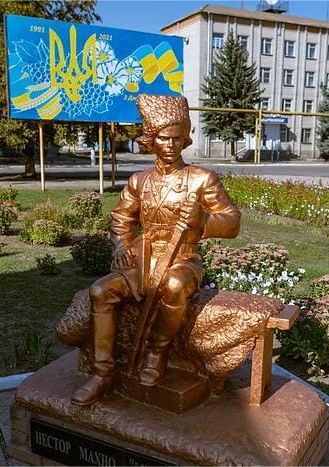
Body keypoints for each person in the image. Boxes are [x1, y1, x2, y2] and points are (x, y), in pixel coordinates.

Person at [71, 94, 241, 406]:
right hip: (143, 258)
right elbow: (121, 218)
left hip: (183, 258)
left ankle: (156, 352)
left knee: (174, 286)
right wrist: (121, 245)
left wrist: (204, 219)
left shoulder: (201, 179)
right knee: (100, 291)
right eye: (164, 138)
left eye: (178, 138)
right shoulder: (139, 180)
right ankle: (102, 373)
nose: (171, 145)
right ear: (151, 140)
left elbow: (232, 221)